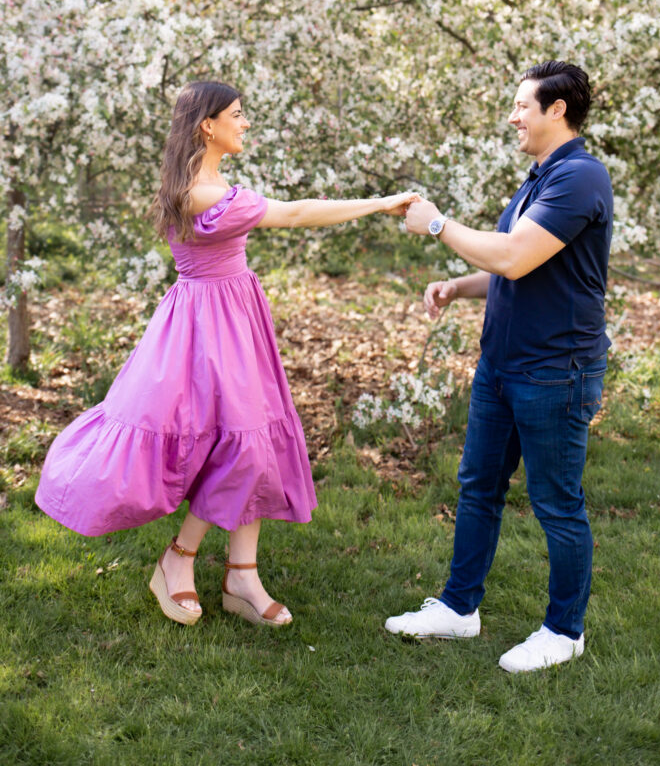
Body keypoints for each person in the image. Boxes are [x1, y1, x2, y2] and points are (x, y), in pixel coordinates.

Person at [37, 80, 417, 628]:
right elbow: (296, 213)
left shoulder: (210, 184)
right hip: (204, 328)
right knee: (236, 442)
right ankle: (182, 557)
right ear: (207, 125)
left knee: (250, 440)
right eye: (236, 114)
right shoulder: (202, 193)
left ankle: (242, 575)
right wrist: (379, 203)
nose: (245, 123)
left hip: (233, 318)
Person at [385, 60, 613, 672]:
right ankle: (459, 608)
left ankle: (564, 631)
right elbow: (520, 265)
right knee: (479, 487)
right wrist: (459, 287)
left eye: (521, 106)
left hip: (555, 372)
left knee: (556, 503)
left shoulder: (581, 177)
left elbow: (513, 256)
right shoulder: (540, 177)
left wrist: (437, 224)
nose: (513, 117)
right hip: (502, 367)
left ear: (556, 110)